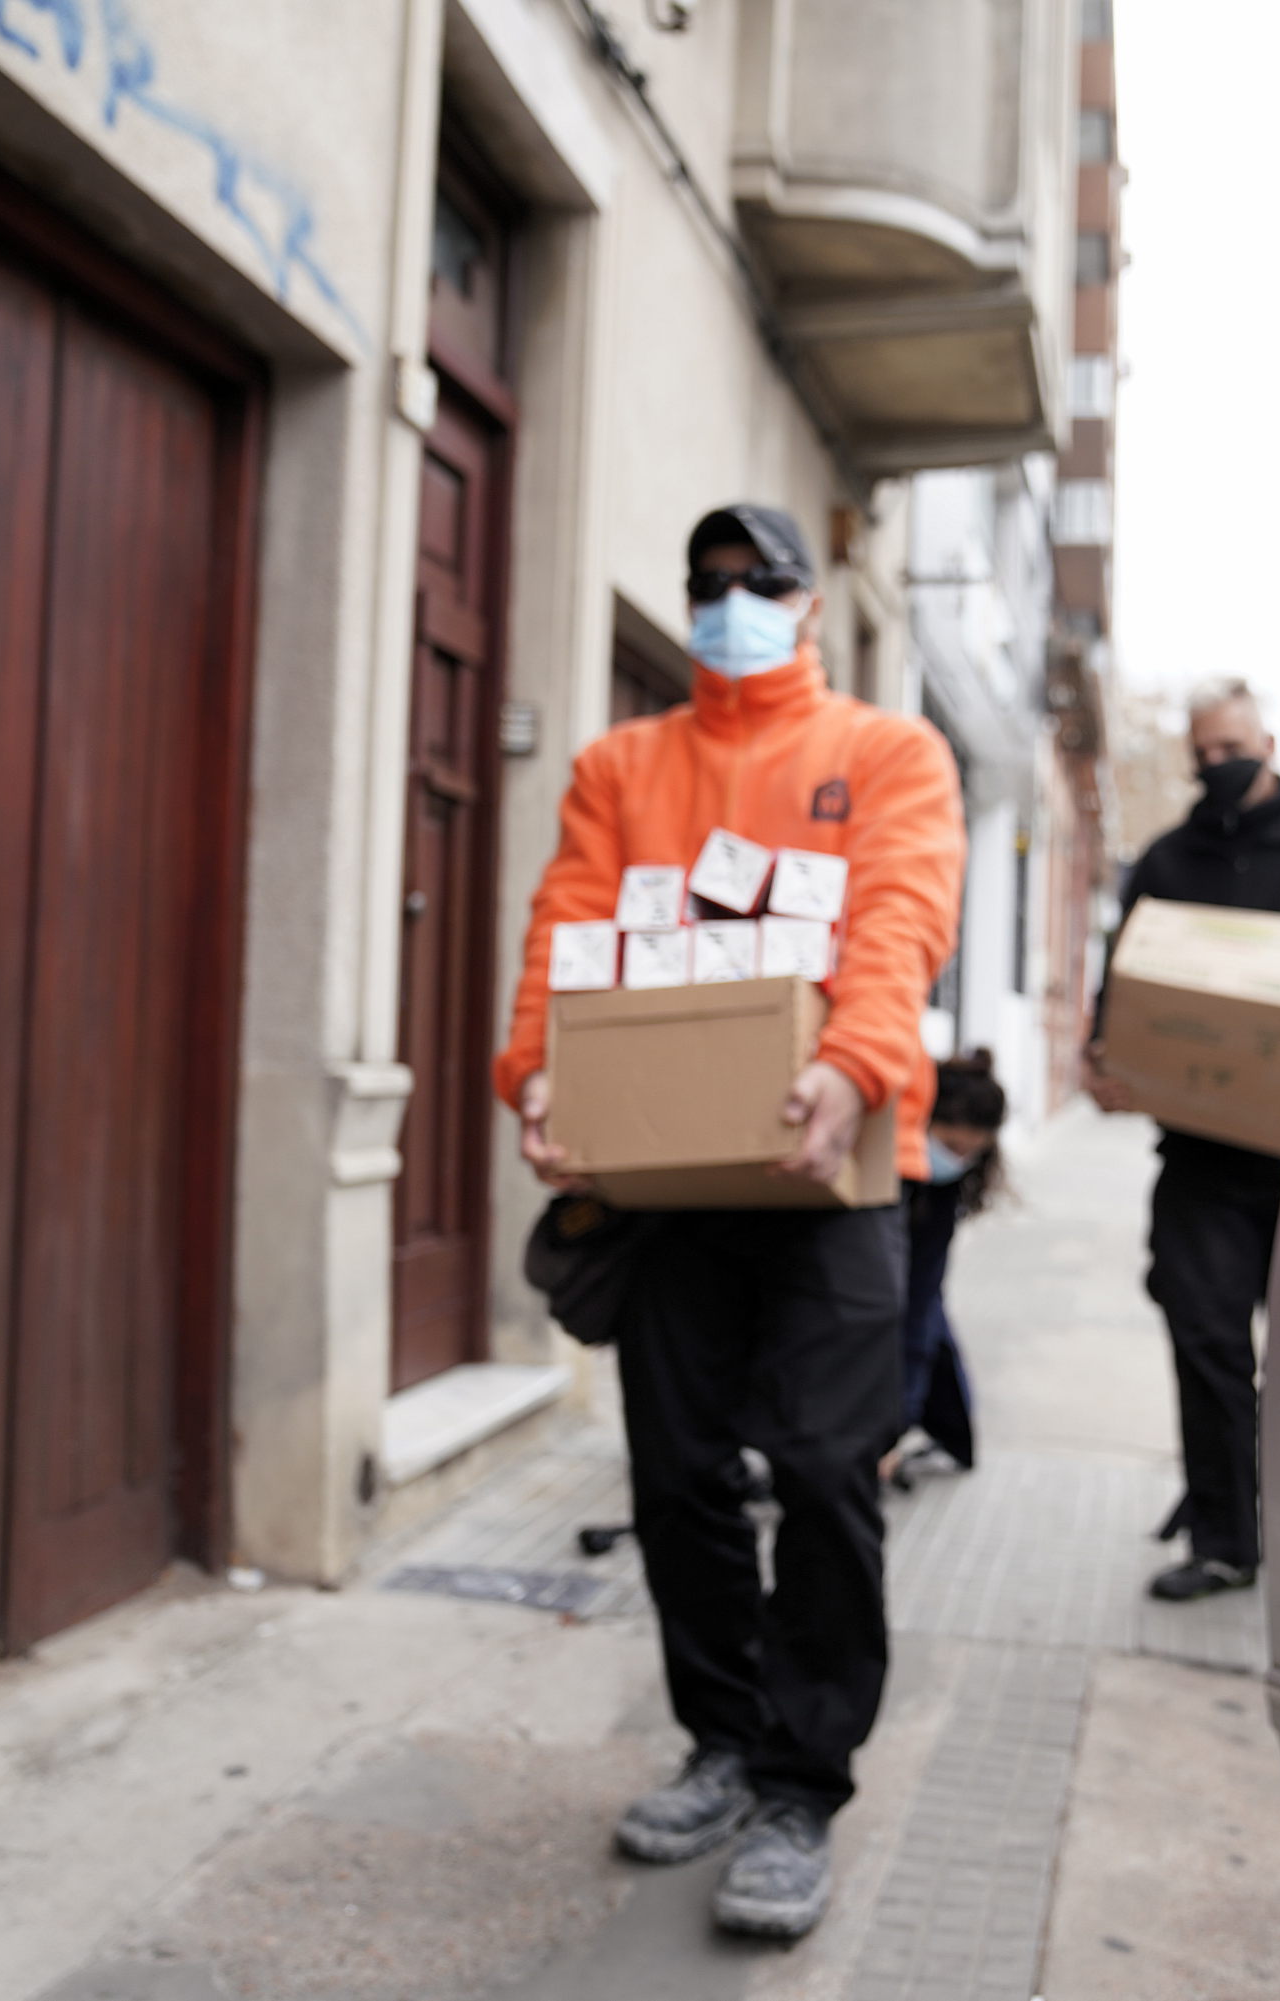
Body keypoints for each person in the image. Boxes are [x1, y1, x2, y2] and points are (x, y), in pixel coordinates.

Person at [495, 503, 964, 1941]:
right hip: (673, 1186)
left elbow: (900, 921)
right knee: (679, 1471)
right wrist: (537, 1076)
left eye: (758, 581)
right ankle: (720, 1736)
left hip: (828, 1168)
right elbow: (566, 937)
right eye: (706, 585)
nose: (729, 604)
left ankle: (799, 1786)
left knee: (825, 1471)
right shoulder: (621, 768)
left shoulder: (885, 754)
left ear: (808, 601)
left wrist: (851, 1064)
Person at [1085, 679, 1280, 1603]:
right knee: (1206, 1344)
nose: (1214, 762)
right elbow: (1119, 998)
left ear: (1268, 740)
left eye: (1229, 744)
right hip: (1201, 1159)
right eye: (1200, 751)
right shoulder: (1166, 860)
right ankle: (1224, 1538)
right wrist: (1107, 1065)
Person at [891, 1051, 1004, 1481]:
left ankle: (934, 1431)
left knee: (923, 1320)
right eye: (951, 1146)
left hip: (913, 1286)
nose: (957, 1161)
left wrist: (896, 1423)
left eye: (971, 1153)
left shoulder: (944, 1190)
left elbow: (919, 1301)